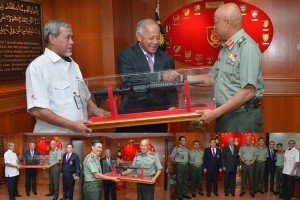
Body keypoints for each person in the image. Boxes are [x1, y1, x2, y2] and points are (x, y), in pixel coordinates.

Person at [185, 3, 264, 132]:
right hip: (225, 114)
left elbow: (248, 92)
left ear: (227, 23)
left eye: (216, 23)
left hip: (242, 117)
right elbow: (213, 78)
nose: (214, 27)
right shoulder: (226, 48)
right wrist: (182, 78)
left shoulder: (247, 47)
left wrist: (215, 113)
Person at [26, 19, 109, 133]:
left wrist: (97, 110)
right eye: (67, 37)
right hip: (55, 139)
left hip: (80, 134)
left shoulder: (73, 64)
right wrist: (72, 125)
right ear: (52, 38)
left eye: (72, 38)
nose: (72, 42)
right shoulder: (37, 67)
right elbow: (38, 110)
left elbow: (85, 98)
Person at [116, 18, 177, 132]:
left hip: (158, 118)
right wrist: (159, 76)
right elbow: (128, 79)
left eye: (158, 38)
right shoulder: (125, 55)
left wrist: (171, 105)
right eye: (151, 38)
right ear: (139, 36)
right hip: (132, 116)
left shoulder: (167, 59)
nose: (155, 42)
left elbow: (171, 88)